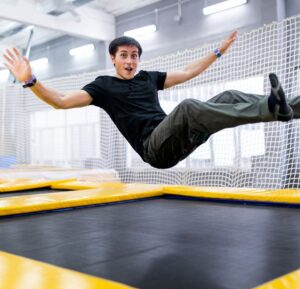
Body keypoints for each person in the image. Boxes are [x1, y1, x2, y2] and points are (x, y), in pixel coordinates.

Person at [2, 32, 294, 169]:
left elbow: (189, 71)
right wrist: (30, 80)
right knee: (189, 107)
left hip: (180, 136)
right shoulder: (103, 87)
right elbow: (61, 101)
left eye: (135, 55)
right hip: (155, 150)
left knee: (228, 96)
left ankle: (290, 106)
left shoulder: (149, 78)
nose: (130, 61)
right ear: (113, 59)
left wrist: (218, 52)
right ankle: (271, 109)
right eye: (124, 56)